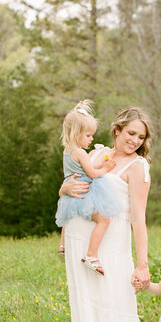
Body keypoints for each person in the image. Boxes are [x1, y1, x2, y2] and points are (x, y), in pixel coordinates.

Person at [59, 107, 154, 322]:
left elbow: (139, 219)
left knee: (110, 317)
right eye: (131, 134)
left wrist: (143, 264)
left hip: (111, 252)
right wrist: (63, 190)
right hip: (81, 249)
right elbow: (73, 183)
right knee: (91, 319)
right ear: (117, 130)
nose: (135, 141)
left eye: (141, 137)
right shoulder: (96, 153)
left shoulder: (138, 167)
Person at [55, 100, 121, 275]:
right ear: (76, 133)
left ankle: (62, 246)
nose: (92, 138)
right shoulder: (80, 152)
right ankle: (92, 255)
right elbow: (91, 173)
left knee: (66, 215)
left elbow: (83, 168)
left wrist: (99, 161)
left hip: (71, 192)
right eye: (88, 135)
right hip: (84, 191)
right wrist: (105, 168)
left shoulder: (67, 151)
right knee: (104, 220)